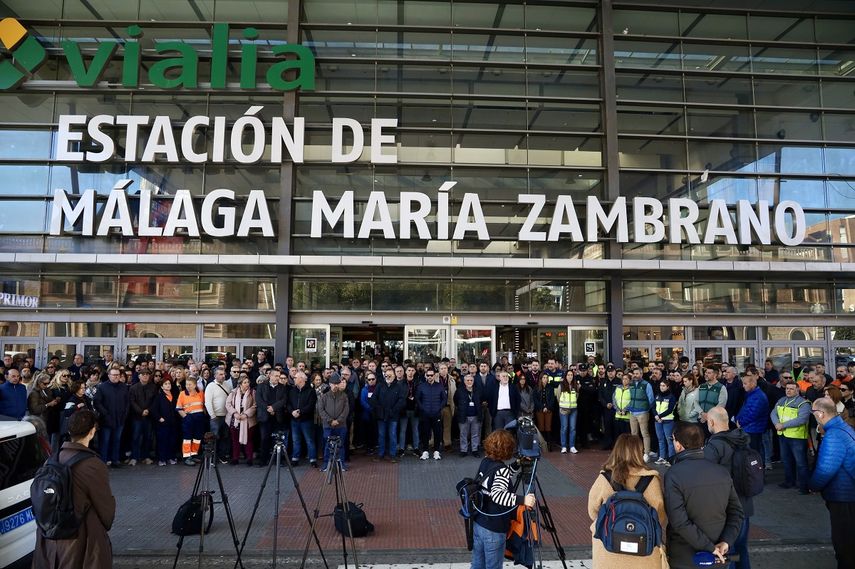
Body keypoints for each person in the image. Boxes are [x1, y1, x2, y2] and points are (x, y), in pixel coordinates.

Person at [33, 410, 116, 569]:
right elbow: (105, 510)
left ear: (70, 431)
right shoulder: (92, 464)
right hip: (81, 540)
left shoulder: (51, 460)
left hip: (48, 539)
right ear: (92, 431)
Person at [665, 421, 744, 568]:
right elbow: (737, 513)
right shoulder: (722, 472)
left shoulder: (674, 474)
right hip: (718, 556)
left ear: (678, 445)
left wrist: (710, 548)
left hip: (686, 556)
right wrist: (726, 542)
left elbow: (679, 521)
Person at [587, 433, 667, 569]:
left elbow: (593, 512)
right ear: (639, 452)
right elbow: (660, 516)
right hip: (644, 553)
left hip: (608, 550)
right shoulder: (651, 480)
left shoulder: (605, 478)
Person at [470, 430, 536, 569]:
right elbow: (497, 494)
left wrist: (517, 464)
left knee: (477, 565)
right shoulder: (501, 470)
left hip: (479, 523)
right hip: (494, 529)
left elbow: (497, 477)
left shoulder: (486, 462)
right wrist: (523, 500)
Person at [704, 407, 754, 569]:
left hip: (726, 509)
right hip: (745, 504)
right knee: (741, 550)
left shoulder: (714, 446)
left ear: (711, 422)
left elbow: (706, 477)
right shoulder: (742, 439)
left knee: (725, 553)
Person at [809, 397, 855, 569]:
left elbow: (826, 469)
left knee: (844, 542)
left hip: (843, 496)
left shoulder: (833, 435)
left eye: (814, 413)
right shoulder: (844, 427)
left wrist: (813, 485)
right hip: (847, 493)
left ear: (820, 414)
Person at [770, 380, 811, 494]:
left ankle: (804, 486)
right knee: (787, 461)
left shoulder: (803, 403)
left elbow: (802, 419)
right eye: (787, 388)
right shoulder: (781, 400)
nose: (788, 390)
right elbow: (773, 413)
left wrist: (782, 425)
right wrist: (777, 424)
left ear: (798, 390)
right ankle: (789, 481)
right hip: (783, 435)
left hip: (797, 437)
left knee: (801, 462)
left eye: (792, 388)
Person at [93, 368, 130, 467]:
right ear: (109, 376)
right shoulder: (102, 387)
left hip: (120, 419)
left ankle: (115, 460)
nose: (116, 376)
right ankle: (103, 461)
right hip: (107, 420)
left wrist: (125, 414)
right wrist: (105, 413)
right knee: (105, 441)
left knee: (117, 441)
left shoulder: (124, 387)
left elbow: (128, 402)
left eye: (118, 374)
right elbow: (97, 402)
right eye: (114, 375)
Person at [734, 368, 769, 465]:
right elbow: (745, 410)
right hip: (749, 428)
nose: (743, 386)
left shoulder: (757, 396)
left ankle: (756, 474)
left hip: (753, 429)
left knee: (753, 455)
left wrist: (740, 422)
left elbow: (752, 414)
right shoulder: (752, 394)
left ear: (753, 383)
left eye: (745, 383)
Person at [372, 367, 405, 462]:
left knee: (393, 435)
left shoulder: (398, 387)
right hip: (381, 416)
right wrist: (380, 410)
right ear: (384, 375)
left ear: (394, 376)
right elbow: (374, 399)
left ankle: (392, 454)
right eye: (387, 375)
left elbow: (401, 400)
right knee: (381, 435)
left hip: (393, 416)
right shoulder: (380, 385)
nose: (388, 376)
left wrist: (393, 410)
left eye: (391, 375)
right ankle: (381, 454)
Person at [318, 372, 349, 471]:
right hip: (328, 425)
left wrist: (338, 420)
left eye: (337, 384)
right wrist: (330, 420)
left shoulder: (344, 396)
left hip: (341, 425)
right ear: (330, 384)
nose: (335, 386)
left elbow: (346, 410)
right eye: (333, 384)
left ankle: (342, 464)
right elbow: (321, 410)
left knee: (341, 445)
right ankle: (326, 464)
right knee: (327, 445)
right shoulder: (324, 396)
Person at [255, 367, 287, 466]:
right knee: (264, 438)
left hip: (277, 417)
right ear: (270, 375)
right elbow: (258, 399)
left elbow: (283, 400)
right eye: (276, 376)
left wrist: (273, 408)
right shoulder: (261, 386)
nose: (278, 378)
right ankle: (263, 460)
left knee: (277, 439)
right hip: (264, 417)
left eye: (279, 376)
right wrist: (268, 408)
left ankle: (278, 460)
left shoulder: (282, 387)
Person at [288, 370, 318, 467]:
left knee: (309, 440)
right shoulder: (292, 391)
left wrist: (300, 411)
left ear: (301, 379)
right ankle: (295, 458)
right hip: (294, 419)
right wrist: (292, 411)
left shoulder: (310, 391)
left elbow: (311, 405)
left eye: (296, 378)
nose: (294, 379)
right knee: (295, 440)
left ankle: (313, 459)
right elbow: (288, 403)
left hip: (306, 420)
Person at [226, 376, 257, 466]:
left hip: (248, 420)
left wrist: (246, 414)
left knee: (248, 440)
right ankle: (235, 458)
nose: (247, 384)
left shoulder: (252, 392)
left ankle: (249, 459)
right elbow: (228, 404)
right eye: (245, 382)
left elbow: (255, 405)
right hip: (235, 420)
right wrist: (235, 413)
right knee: (235, 440)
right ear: (240, 384)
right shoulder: (233, 392)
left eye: (248, 382)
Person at [204, 366, 233, 464]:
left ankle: (222, 456)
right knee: (214, 437)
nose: (223, 376)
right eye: (220, 374)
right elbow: (208, 402)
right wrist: (212, 415)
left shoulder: (228, 385)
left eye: (224, 374)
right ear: (215, 375)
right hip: (215, 416)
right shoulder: (210, 386)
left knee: (225, 437)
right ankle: (213, 458)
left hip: (226, 416)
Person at [416, 367, 447, 460]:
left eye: (431, 375)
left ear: (434, 375)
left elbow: (444, 399)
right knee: (425, 432)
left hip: (436, 413)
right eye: (428, 375)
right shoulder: (421, 386)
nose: (430, 377)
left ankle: (436, 451)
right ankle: (425, 451)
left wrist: (439, 408)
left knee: (437, 433)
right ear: (426, 376)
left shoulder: (440, 386)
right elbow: (418, 399)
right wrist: (423, 409)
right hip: (425, 414)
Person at [128, 369, 157, 466]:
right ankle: (134, 457)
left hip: (149, 416)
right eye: (143, 374)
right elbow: (132, 402)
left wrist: (148, 410)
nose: (145, 376)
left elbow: (155, 401)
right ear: (139, 376)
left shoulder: (153, 387)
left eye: (147, 375)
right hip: (137, 417)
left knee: (148, 437)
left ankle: (146, 456)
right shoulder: (133, 388)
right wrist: (141, 411)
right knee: (135, 437)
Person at [176, 377, 206, 466]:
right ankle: (187, 457)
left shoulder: (200, 393)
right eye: (186, 384)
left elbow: (203, 405)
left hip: (199, 419)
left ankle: (194, 454)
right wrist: (186, 418)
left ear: (195, 385)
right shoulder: (182, 394)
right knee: (187, 438)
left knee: (197, 438)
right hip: (188, 419)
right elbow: (178, 408)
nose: (187, 386)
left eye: (190, 385)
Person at [151, 379, 179, 466]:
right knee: (162, 441)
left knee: (172, 441)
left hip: (173, 423)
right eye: (165, 384)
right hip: (163, 424)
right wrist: (160, 418)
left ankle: (171, 457)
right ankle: (162, 459)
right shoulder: (159, 397)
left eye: (169, 384)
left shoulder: (174, 396)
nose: (168, 385)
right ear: (162, 386)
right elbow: (153, 410)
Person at [455, 374, 483, 457]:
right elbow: (455, 400)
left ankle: (475, 450)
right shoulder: (459, 391)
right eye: (467, 380)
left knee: (475, 434)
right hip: (464, 415)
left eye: (471, 380)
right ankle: (464, 450)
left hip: (475, 416)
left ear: (473, 381)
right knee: (463, 434)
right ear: (464, 381)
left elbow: (481, 400)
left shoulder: (478, 390)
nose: (469, 382)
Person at [653, 379, 676, 464]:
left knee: (669, 440)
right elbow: (653, 407)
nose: (661, 387)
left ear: (668, 387)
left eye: (663, 386)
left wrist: (659, 416)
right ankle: (662, 457)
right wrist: (656, 416)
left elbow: (670, 410)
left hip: (668, 421)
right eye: (660, 385)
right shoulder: (657, 395)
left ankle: (670, 459)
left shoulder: (671, 397)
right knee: (660, 439)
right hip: (658, 421)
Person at [532, 372, 556, 451]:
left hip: (548, 409)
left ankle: (549, 445)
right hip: (539, 409)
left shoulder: (550, 387)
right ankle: (542, 444)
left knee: (548, 427)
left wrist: (547, 407)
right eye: (544, 378)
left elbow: (552, 399)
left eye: (546, 378)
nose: (545, 379)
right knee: (541, 426)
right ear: (541, 379)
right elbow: (535, 400)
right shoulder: (536, 388)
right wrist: (542, 407)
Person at [557, 372, 579, 454]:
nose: (570, 376)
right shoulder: (561, 386)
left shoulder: (575, 386)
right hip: (563, 410)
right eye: (568, 375)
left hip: (573, 410)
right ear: (565, 376)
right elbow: (558, 397)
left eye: (571, 375)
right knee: (564, 428)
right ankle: (564, 446)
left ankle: (572, 446)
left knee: (573, 428)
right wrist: (562, 405)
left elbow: (577, 396)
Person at [612, 372, 632, 437]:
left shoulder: (632, 389)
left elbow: (632, 401)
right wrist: (617, 409)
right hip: (617, 415)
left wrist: (625, 410)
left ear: (630, 380)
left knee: (627, 435)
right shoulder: (617, 388)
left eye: (626, 379)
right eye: (623, 379)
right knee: (617, 435)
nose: (624, 380)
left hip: (627, 416)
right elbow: (614, 399)